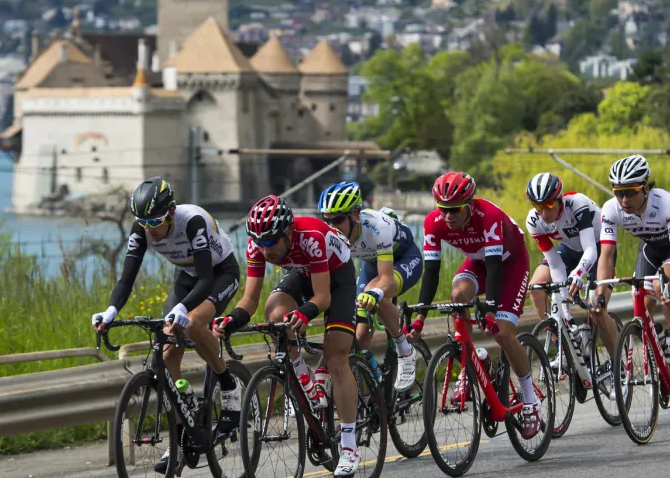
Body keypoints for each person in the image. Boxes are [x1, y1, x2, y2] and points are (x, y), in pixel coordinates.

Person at [91, 177, 241, 471]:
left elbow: (206, 280)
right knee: (168, 351)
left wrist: (184, 309)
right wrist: (110, 311)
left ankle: (228, 384)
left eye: (156, 222)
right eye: (143, 223)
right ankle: (183, 429)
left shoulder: (193, 221)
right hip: (186, 278)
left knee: (194, 324)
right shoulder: (144, 228)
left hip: (219, 273)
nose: (151, 230)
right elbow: (126, 279)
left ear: (171, 213)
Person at [212, 195, 363, 477]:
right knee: (275, 315)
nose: (264, 249)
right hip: (302, 273)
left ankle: (350, 445)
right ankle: (305, 379)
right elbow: (250, 300)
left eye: (270, 241)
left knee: (336, 356)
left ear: (288, 232)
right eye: (259, 241)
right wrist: (231, 319)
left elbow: (323, 296)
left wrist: (305, 313)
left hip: (336, 276)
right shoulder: (258, 245)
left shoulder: (311, 237)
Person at [407, 171, 542, 439]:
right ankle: (474, 359)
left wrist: (491, 310)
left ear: (469, 204)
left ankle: (530, 401)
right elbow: (431, 272)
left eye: (454, 209)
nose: (448, 215)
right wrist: (420, 316)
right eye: (443, 209)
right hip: (479, 263)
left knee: (502, 332)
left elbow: (494, 269)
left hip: (510, 264)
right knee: (458, 295)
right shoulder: (433, 223)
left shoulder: (489, 217)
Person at [586, 155, 670, 385]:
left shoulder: (665, 203)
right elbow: (606, 257)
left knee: (662, 289)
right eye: (618, 192)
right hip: (650, 247)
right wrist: (600, 295)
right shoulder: (611, 209)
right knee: (642, 303)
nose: (623, 199)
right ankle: (660, 338)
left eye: (630, 192)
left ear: (645, 188)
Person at [318, 182, 422, 391]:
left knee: (377, 295)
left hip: (404, 258)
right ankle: (376, 384)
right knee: (360, 335)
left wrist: (374, 293)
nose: (331, 227)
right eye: (326, 220)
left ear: (355, 214)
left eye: (338, 219)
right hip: (372, 264)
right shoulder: (330, 235)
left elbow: (386, 278)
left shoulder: (377, 227)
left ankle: (406, 351)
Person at [524, 172, 603, 367]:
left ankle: (616, 367)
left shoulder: (577, 204)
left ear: (559, 199)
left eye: (549, 205)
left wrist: (578, 274)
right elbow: (555, 264)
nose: (543, 213)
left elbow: (590, 249)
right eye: (538, 206)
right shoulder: (534, 221)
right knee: (537, 287)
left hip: (598, 247)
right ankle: (563, 345)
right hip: (568, 250)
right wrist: (565, 312)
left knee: (596, 307)